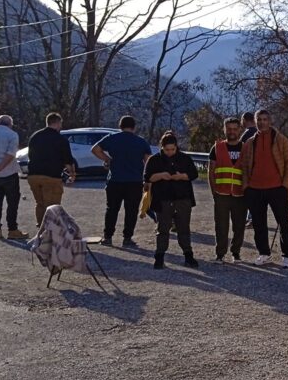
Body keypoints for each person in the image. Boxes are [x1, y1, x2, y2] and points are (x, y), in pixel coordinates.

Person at [244, 109, 288, 267]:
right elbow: (245, 166)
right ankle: (264, 253)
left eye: (265, 119)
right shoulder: (250, 142)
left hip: (277, 188)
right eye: (259, 119)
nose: (262, 122)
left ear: (270, 121)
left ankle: (287, 256)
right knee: (259, 224)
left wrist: (286, 185)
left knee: (283, 223)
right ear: (255, 122)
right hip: (255, 189)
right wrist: (246, 187)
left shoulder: (281, 140)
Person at [91, 115, 151, 248]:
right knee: (131, 211)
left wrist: (107, 159)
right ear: (134, 127)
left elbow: (95, 149)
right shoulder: (141, 141)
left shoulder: (112, 138)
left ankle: (108, 237)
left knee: (112, 209)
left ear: (120, 126)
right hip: (134, 181)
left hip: (115, 180)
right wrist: (147, 179)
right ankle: (127, 238)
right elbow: (148, 161)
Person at [144, 132, 199, 269]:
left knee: (184, 228)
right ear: (161, 147)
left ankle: (188, 255)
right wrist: (161, 175)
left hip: (182, 198)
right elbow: (147, 177)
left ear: (176, 147)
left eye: (172, 149)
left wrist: (182, 176)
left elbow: (194, 174)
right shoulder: (154, 160)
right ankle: (159, 256)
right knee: (162, 229)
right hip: (162, 199)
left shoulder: (184, 158)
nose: (169, 152)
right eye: (167, 149)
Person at [209, 116, 251, 263]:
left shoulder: (246, 148)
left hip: (240, 195)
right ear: (224, 129)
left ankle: (236, 252)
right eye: (229, 129)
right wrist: (214, 191)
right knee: (221, 226)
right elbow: (211, 171)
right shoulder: (217, 147)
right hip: (221, 193)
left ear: (239, 130)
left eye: (235, 129)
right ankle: (220, 254)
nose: (232, 131)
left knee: (239, 226)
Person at [26, 112, 76, 227]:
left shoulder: (35, 136)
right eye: (60, 123)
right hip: (51, 176)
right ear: (57, 123)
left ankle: (40, 226)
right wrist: (72, 174)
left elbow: (30, 155)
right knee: (52, 205)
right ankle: (51, 230)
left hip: (33, 175)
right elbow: (68, 160)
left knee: (40, 203)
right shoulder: (60, 139)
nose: (61, 126)